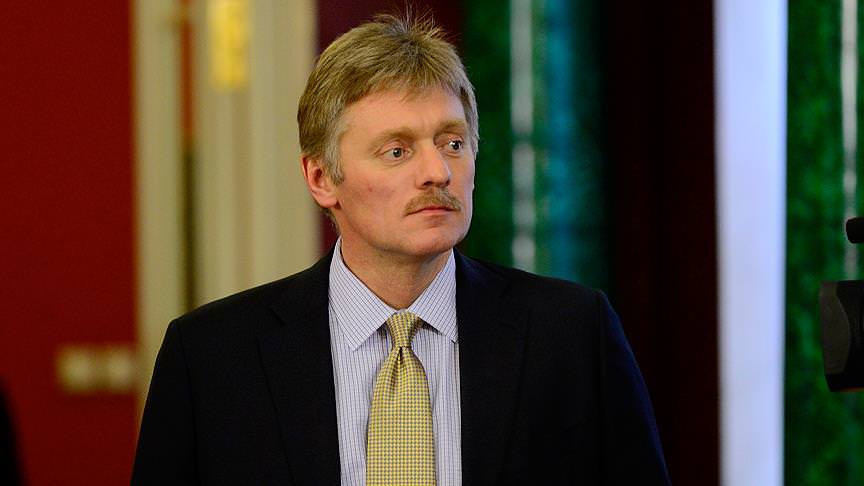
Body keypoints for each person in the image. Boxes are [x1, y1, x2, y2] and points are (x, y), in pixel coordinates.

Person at [132, 13, 670, 486]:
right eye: (397, 150)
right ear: (321, 178)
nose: (437, 171)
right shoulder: (211, 358)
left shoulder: (572, 334)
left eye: (452, 143)